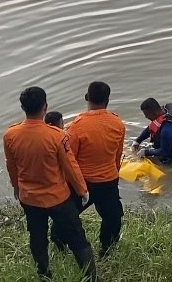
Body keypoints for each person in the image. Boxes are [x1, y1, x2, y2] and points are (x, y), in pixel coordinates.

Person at [3, 86, 98, 281]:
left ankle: (44, 273)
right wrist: (82, 190)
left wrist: (16, 187)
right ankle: (90, 276)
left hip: (29, 198)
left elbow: (11, 166)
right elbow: (70, 167)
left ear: (23, 107)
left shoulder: (10, 135)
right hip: (58, 198)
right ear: (45, 107)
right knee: (77, 237)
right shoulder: (58, 136)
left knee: (37, 237)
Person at [64, 81, 126, 257]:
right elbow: (117, 155)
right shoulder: (118, 123)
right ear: (107, 100)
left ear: (87, 98)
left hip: (83, 184)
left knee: (68, 217)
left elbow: (70, 160)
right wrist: (114, 174)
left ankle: (59, 242)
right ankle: (106, 250)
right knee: (113, 218)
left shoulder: (75, 127)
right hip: (109, 182)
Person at [131, 99, 172, 165]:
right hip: (164, 146)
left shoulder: (167, 130)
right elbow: (150, 128)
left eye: (147, 115)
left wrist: (146, 152)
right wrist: (137, 141)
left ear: (154, 113)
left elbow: (164, 152)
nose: (146, 117)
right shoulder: (163, 112)